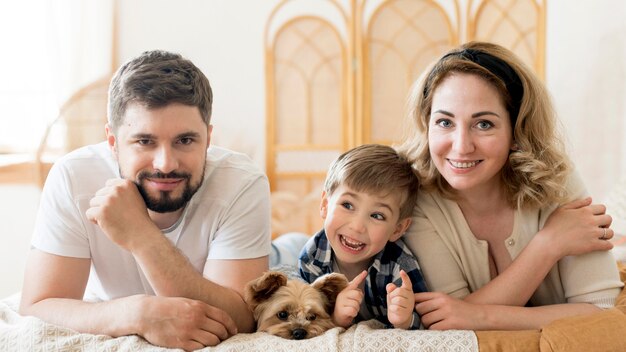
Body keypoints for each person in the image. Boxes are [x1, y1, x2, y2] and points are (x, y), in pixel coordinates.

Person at [19, 50, 271, 350]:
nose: (165, 164)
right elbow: (38, 306)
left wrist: (142, 237)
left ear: (208, 138)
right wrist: (135, 313)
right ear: (112, 142)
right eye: (144, 141)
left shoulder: (243, 182)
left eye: (185, 140)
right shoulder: (73, 176)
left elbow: (240, 318)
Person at [399, 41, 624, 330]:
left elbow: (603, 311)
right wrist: (546, 246)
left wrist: (477, 315)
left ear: (517, 130)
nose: (461, 146)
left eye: (484, 125)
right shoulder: (415, 198)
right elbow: (447, 322)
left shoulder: (556, 179)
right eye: (444, 122)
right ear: (426, 124)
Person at [299, 144, 428, 330]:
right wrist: (335, 319)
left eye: (377, 216)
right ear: (325, 205)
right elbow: (304, 323)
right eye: (347, 205)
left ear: (397, 229)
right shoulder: (312, 257)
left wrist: (405, 320)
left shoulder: (401, 266)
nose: (357, 226)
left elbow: (429, 327)